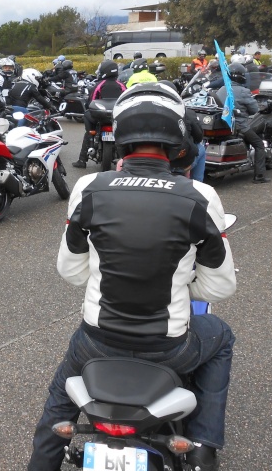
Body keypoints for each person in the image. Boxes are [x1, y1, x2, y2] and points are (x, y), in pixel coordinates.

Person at [28, 81, 237, 471]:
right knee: (221, 335)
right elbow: (220, 286)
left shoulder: (89, 187)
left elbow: (70, 271)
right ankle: (205, 445)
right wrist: (180, 275)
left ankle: (42, 463)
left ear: (121, 136)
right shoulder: (200, 196)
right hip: (170, 347)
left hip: (97, 342)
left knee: (56, 411)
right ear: (178, 138)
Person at [215, 63, 269, 183]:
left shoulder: (222, 89)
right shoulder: (244, 91)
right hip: (240, 126)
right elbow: (254, 110)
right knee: (259, 144)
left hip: (225, 125)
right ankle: (259, 176)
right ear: (240, 76)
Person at [73, 60, 127, 168]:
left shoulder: (99, 85)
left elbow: (91, 102)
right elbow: (127, 100)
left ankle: (82, 160)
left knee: (88, 123)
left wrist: (90, 131)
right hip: (116, 118)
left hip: (100, 118)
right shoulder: (121, 85)